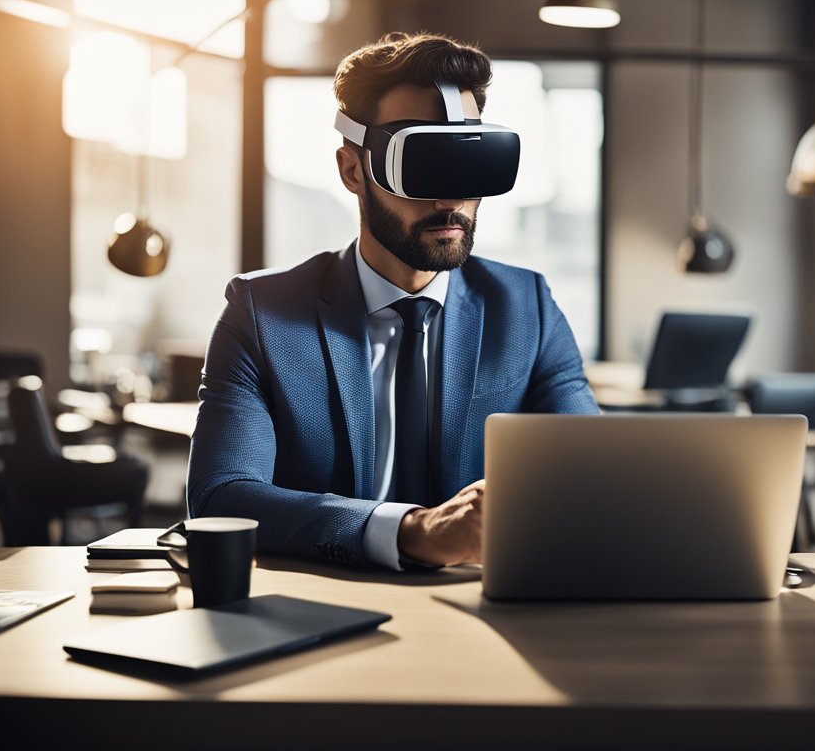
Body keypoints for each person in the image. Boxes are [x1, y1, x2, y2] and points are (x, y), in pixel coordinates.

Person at [186, 32, 598, 570]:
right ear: (354, 170)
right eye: (423, 165)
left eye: (469, 166)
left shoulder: (527, 310)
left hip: (481, 608)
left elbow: (594, 476)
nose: (451, 200)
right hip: (326, 610)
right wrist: (409, 531)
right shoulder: (263, 315)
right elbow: (221, 500)